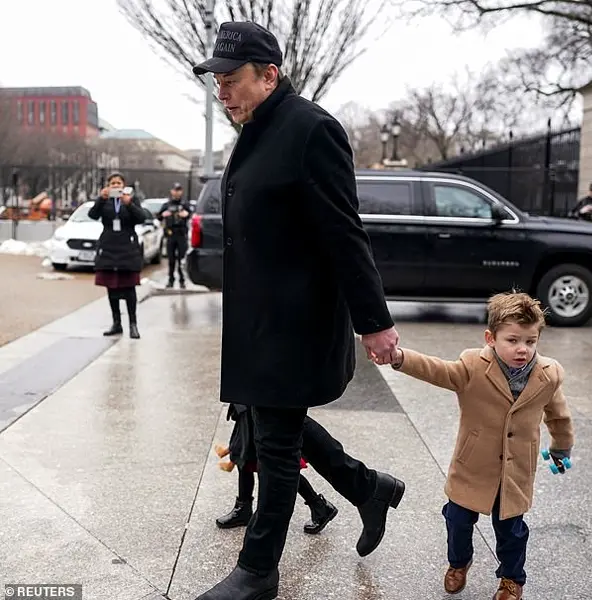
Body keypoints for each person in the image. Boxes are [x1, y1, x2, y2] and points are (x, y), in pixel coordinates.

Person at [191, 21, 403, 600]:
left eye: (232, 80)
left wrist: (375, 321)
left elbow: (344, 233)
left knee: (277, 447)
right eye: (218, 80)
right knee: (269, 422)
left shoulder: (311, 131)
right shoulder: (256, 128)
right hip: (261, 321)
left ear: (270, 76)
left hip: (295, 323)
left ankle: (258, 571)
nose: (222, 91)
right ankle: (369, 488)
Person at [385, 292, 575, 600]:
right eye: (512, 340)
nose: (522, 349)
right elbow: (439, 370)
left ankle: (512, 579)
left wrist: (562, 447)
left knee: (512, 531)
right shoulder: (473, 365)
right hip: (473, 466)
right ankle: (459, 563)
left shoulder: (547, 375)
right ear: (491, 338)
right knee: (457, 520)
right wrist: (400, 358)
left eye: (530, 341)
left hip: (516, 471)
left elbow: (559, 415)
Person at [215, 404, 338, 535]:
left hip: (257, 403)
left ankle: (319, 505)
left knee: (275, 464)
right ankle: (243, 507)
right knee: (245, 457)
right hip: (247, 403)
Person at [88, 172, 147, 339]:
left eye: (118, 183)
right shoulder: (105, 201)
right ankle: (116, 323)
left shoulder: (131, 199)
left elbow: (141, 218)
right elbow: (92, 215)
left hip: (127, 248)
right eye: (112, 183)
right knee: (111, 287)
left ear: (124, 185)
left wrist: (129, 204)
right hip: (109, 247)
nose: (115, 186)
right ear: (108, 186)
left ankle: (133, 324)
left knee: (129, 288)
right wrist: (100, 199)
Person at [157, 182, 191, 288]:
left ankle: (182, 280)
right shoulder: (167, 205)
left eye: (179, 190)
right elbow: (158, 216)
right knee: (171, 259)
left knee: (181, 259)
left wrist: (187, 215)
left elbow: (192, 215)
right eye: (175, 190)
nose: (177, 192)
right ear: (171, 191)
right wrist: (163, 215)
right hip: (170, 234)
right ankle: (171, 280)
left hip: (181, 234)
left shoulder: (185, 204)